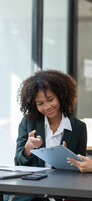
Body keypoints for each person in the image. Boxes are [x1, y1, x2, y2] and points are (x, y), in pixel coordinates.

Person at [6, 70, 87, 201]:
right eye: (40, 103)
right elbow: (18, 162)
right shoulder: (28, 123)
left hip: (64, 190)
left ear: (60, 96)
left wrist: (66, 157)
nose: (47, 107)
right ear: (34, 104)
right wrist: (28, 148)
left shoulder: (78, 127)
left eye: (50, 100)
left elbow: (81, 168)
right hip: (34, 191)